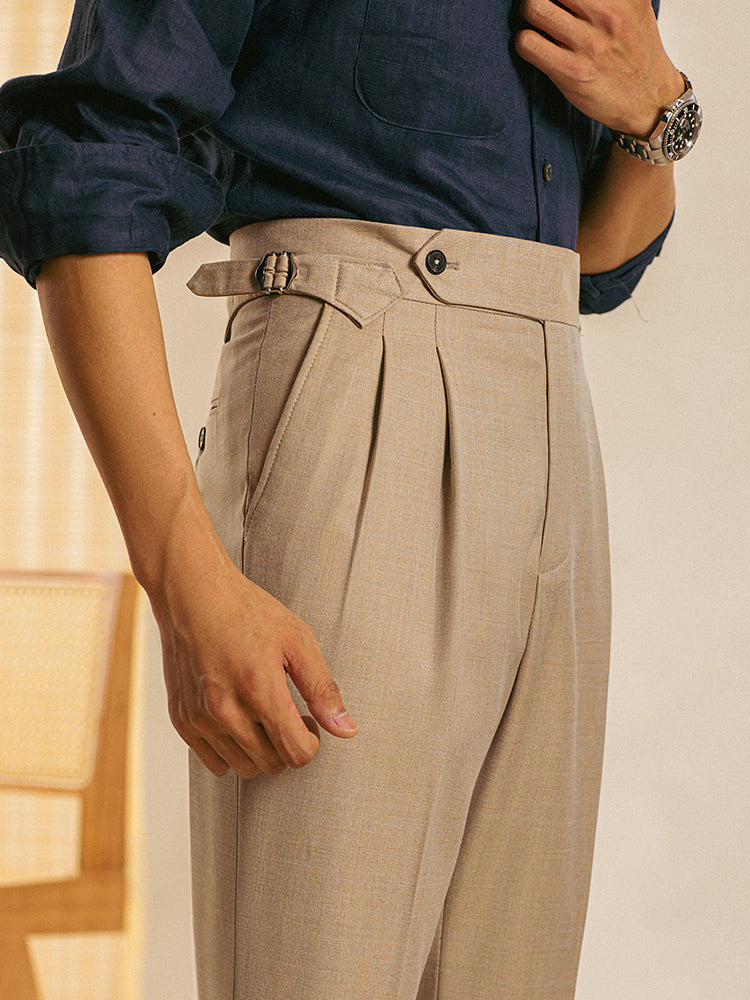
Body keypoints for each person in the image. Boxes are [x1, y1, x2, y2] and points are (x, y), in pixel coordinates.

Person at [0, 1, 701, 997]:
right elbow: (89, 158)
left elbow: (597, 261)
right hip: (362, 386)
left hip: (554, 421)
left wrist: (657, 114)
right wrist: (182, 577)